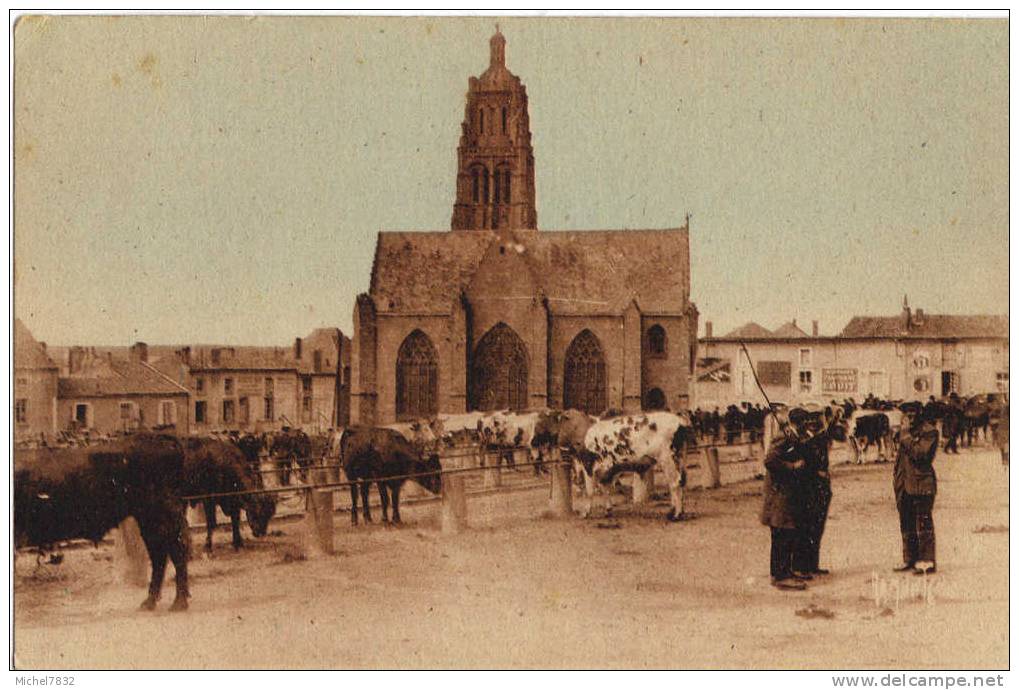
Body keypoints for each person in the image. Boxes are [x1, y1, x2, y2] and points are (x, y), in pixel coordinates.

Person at [761, 408, 810, 590]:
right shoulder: (783, 436)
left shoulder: (792, 436)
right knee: (781, 534)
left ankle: (785, 571)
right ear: (800, 423)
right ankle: (780, 576)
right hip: (779, 493)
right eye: (806, 422)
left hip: (787, 494)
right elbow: (769, 461)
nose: (807, 426)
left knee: (788, 533)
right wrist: (792, 466)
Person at [893, 402, 940, 575]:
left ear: (920, 414)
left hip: (922, 484)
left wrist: (904, 434)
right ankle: (910, 559)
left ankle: (927, 561)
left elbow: (920, 454)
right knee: (906, 522)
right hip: (904, 484)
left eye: (913, 414)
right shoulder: (906, 432)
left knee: (923, 522)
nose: (910, 418)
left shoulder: (929, 431)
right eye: (907, 414)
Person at [794, 407, 837, 577]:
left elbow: (831, 430)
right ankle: (802, 566)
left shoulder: (820, 438)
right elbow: (801, 464)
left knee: (818, 527)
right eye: (809, 420)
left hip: (822, 489)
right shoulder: (801, 440)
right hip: (808, 489)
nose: (812, 423)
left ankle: (813, 564)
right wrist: (815, 472)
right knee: (806, 528)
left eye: (815, 420)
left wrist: (832, 416)